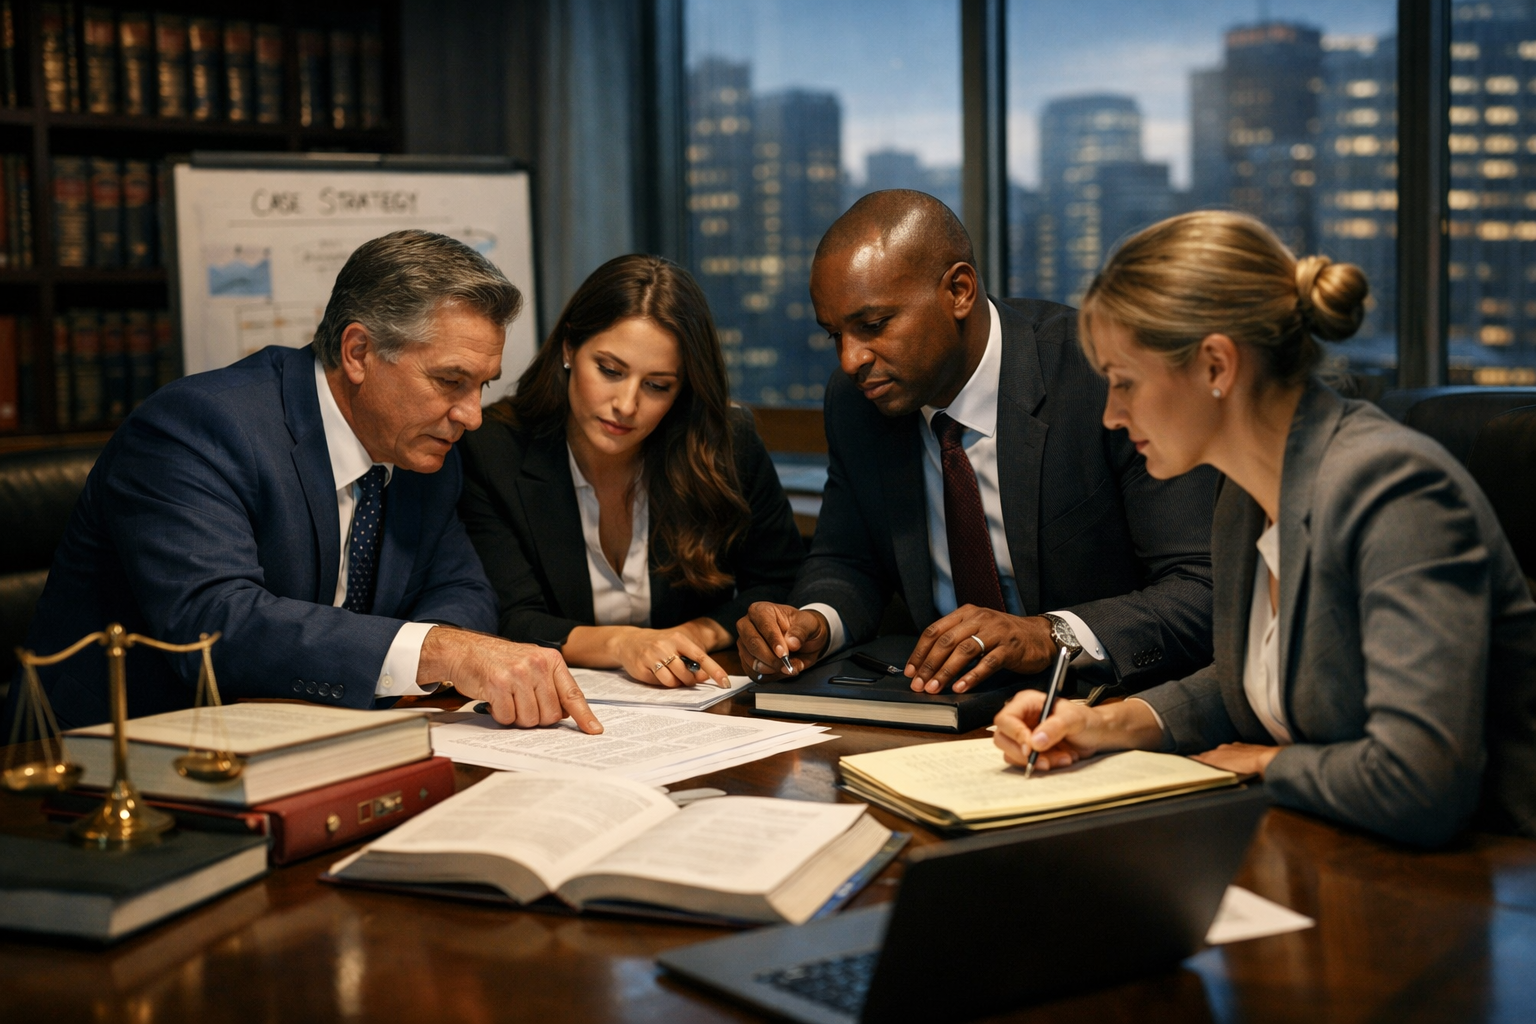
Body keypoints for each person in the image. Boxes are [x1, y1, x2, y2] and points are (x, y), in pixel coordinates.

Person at [994, 210, 1536, 847]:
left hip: (1485, 882)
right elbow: (1254, 683)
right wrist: (1102, 725)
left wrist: (1267, 764)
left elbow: (1421, 781)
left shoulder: (1396, 489)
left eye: (1124, 383)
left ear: (1218, 366)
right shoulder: (1243, 495)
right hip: (1334, 848)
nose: (1111, 416)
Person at [14, 230, 602, 734]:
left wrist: (432, 655)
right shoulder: (200, 427)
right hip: (105, 769)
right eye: (450, 381)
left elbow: (464, 591)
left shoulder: (422, 446)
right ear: (358, 352)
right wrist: (436, 651)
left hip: (318, 747)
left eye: (483, 386)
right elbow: (216, 626)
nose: (471, 415)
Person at [736, 190, 1218, 696]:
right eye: (833, 334)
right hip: (941, 705)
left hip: (1108, 700)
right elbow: (847, 559)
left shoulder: (1098, 375)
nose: (850, 359)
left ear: (959, 291)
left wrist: (1049, 635)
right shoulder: (856, 402)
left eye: (873, 325)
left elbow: (1201, 586)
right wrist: (812, 623)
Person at [457, 254, 804, 687]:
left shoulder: (725, 444)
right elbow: (511, 617)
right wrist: (625, 644)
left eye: (657, 385)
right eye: (609, 370)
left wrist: (694, 633)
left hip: (698, 702)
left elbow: (780, 583)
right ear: (569, 349)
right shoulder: (490, 450)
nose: (626, 404)